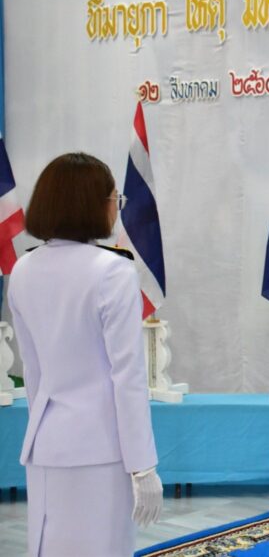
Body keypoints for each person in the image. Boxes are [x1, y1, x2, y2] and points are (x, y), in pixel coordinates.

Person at [8, 152, 162, 557]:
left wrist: (42, 429)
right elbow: (127, 376)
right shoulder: (113, 271)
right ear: (93, 204)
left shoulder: (22, 270)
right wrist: (142, 464)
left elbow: (34, 371)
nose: (117, 208)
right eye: (115, 199)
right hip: (100, 447)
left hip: (44, 442)